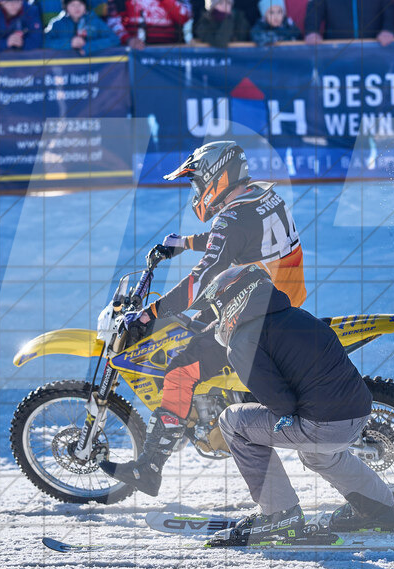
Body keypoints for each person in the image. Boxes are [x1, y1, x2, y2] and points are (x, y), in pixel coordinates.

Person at [100, 141, 306, 497]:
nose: (195, 192)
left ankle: (149, 467)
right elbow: (236, 240)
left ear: (216, 177)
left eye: (196, 184)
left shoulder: (232, 216)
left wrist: (150, 313)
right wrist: (184, 242)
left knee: (180, 371)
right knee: (196, 321)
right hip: (279, 299)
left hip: (256, 316)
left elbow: (202, 278)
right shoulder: (262, 197)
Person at [193, 266, 394, 546]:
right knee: (318, 454)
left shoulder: (244, 340)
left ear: (234, 301)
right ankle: (378, 508)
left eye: (218, 309)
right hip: (358, 413)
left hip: (325, 424)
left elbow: (282, 404)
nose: (218, 318)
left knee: (233, 422)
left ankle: (278, 513)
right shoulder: (296, 315)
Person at [303, 0, 394, 45]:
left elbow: (389, 8)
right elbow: (315, 10)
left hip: (375, 49)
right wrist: (312, 31)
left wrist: (389, 29)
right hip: (336, 51)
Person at [105, 0, 190, 48]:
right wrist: (128, 39)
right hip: (135, 53)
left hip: (169, 51)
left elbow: (184, 18)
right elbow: (113, 23)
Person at [44, 0, 117, 52]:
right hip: (63, 69)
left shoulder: (94, 22)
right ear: (66, 7)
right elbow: (45, 42)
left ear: (85, 6)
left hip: (93, 69)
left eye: (80, 4)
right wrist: (70, 43)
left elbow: (114, 39)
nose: (77, 8)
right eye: (72, 4)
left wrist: (88, 47)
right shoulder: (57, 24)